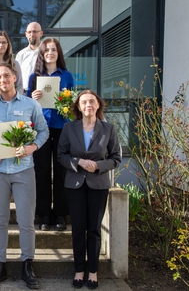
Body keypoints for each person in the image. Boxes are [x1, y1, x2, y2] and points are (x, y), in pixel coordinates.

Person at [0, 63, 49, 289]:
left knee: (26, 221)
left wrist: (32, 148)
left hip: (23, 170)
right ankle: (0, 265)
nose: (3, 80)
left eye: (6, 75)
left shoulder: (31, 104)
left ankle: (27, 265)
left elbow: (43, 130)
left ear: (14, 77)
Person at [57, 90, 121, 290]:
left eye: (92, 101)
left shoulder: (109, 129)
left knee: (93, 229)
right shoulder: (69, 128)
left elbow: (116, 158)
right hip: (74, 185)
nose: (88, 105)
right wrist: (79, 162)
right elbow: (61, 155)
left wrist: (99, 166)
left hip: (98, 185)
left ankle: (93, 271)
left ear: (98, 105)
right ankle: (79, 270)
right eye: (84, 102)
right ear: (78, 106)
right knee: (77, 229)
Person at [27, 37, 75, 232]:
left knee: (61, 171)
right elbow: (28, 105)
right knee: (42, 171)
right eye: (47, 50)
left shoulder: (67, 75)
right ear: (42, 53)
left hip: (61, 126)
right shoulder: (34, 77)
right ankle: (44, 213)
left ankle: (60, 214)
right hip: (41, 128)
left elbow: (73, 104)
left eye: (53, 50)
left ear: (58, 53)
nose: (50, 53)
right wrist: (33, 97)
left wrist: (67, 102)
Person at [15, 22, 43, 93]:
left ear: (41, 33)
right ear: (26, 34)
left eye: (34, 31)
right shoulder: (21, 54)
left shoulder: (46, 52)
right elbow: (16, 74)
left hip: (42, 93)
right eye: (29, 32)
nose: (32, 34)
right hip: (24, 93)